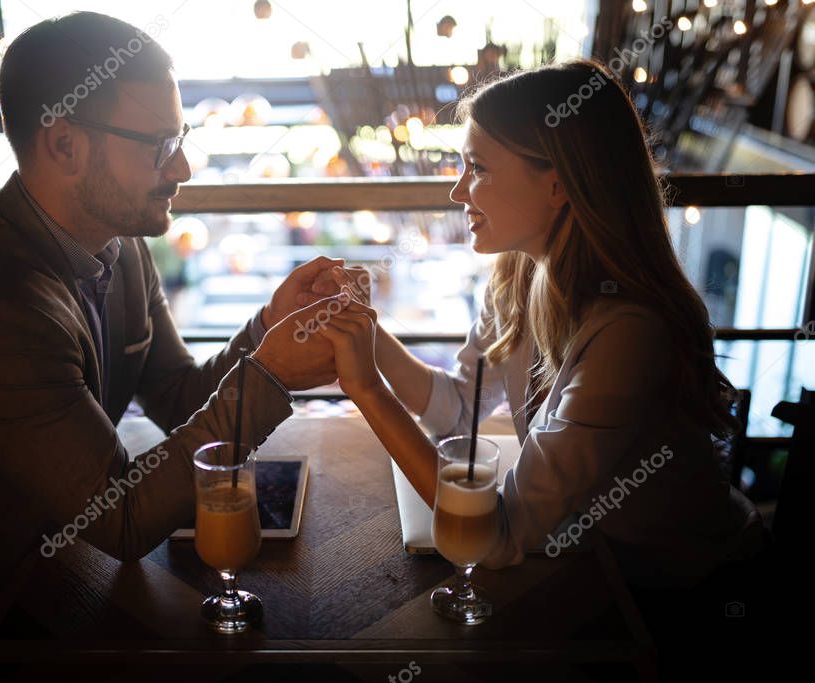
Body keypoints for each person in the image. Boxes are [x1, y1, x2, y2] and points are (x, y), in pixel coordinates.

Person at [0, 12, 353, 679]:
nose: (183, 164)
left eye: (182, 137)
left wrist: (266, 329)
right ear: (64, 146)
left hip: (58, 582)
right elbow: (119, 518)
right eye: (159, 143)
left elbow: (176, 393)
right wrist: (269, 376)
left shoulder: (119, 244)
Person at [316, 60, 770, 673]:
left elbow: (499, 537)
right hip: (595, 566)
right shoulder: (519, 274)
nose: (457, 191)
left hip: (687, 606)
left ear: (557, 185)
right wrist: (368, 331)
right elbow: (457, 406)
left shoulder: (627, 335)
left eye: (477, 169)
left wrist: (365, 386)